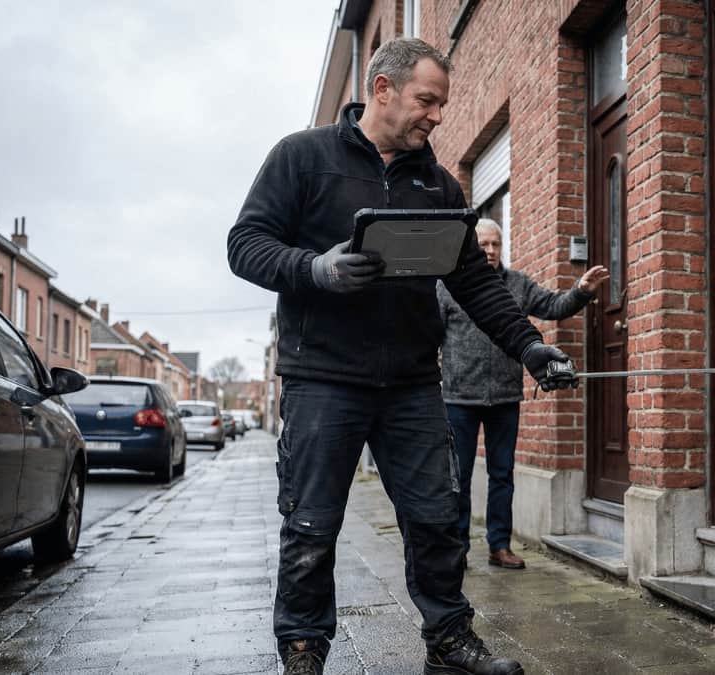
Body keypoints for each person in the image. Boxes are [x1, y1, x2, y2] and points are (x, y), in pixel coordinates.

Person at [227, 38, 576, 675]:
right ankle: (303, 651)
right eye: (427, 100)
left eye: (441, 104)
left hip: (413, 384)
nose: (437, 116)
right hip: (323, 380)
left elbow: (473, 281)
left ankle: (449, 642)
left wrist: (530, 347)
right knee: (310, 527)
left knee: (440, 518)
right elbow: (245, 245)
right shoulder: (302, 158)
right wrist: (315, 268)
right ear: (382, 89)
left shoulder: (438, 184)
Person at [438, 220, 607, 569]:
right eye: (483, 243)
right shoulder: (448, 286)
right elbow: (430, 333)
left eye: (496, 244)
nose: (489, 250)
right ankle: (457, 549)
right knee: (460, 477)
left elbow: (553, 306)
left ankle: (499, 545)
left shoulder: (516, 284)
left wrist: (581, 290)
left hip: (505, 397)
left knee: (503, 474)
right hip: (458, 397)